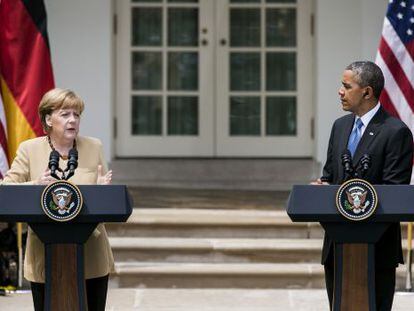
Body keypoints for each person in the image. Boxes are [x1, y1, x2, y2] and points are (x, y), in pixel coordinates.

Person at [313, 61, 413, 311]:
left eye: (346, 86)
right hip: (337, 247)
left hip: (376, 249)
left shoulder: (395, 132)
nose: (340, 91)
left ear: (367, 92)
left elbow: (394, 192)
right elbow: (329, 176)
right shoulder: (340, 127)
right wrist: (321, 186)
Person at [2, 88, 114, 311]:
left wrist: (103, 193)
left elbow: (105, 194)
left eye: (77, 114)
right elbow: (6, 190)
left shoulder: (94, 147)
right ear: (48, 119)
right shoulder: (29, 149)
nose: (73, 120)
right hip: (45, 253)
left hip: (90, 251)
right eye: (65, 114)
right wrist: (35, 185)